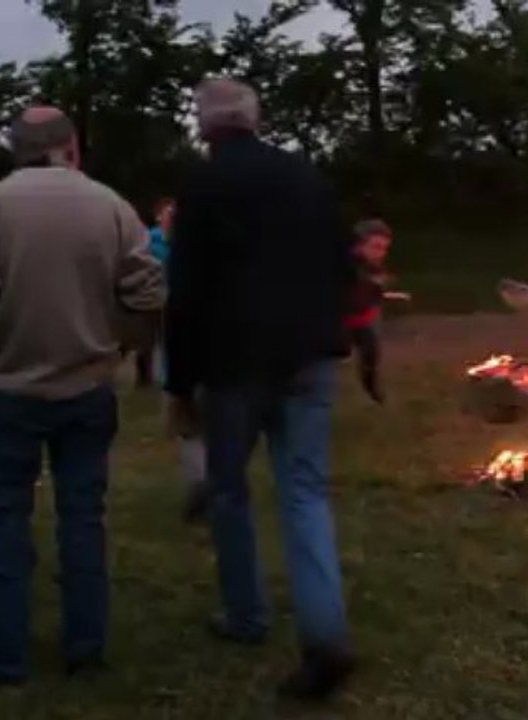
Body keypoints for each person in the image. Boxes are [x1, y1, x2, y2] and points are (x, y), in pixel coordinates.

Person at [165, 78, 356, 701]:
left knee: (229, 492)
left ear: (205, 125)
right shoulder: (308, 177)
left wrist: (179, 383)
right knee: (304, 493)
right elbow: (342, 265)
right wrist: (334, 335)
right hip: (307, 358)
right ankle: (326, 636)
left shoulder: (201, 187)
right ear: (256, 118)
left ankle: (246, 616)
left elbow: (186, 292)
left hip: (234, 365)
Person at [0, 107, 165, 686]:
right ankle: (86, 649)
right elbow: (147, 293)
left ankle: (3, 658)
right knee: (83, 518)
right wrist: (118, 347)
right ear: (72, 148)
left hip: (4, 390)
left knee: (2, 520)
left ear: (16, 149)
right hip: (87, 387)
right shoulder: (111, 206)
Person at [346, 219, 394, 404]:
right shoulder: (344, 266)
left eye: (384, 248)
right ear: (358, 245)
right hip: (341, 321)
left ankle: (372, 389)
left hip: (364, 320)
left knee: (370, 357)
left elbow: (375, 292)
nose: (381, 253)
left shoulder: (375, 266)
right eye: (375, 247)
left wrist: (379, 291)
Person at [134, 198, 175, 388]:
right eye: (167, 213)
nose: (171, 216)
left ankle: (168, 376)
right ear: (159, 217)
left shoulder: (180, 240)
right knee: (147, 340)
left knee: (170, 338)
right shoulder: (149, 239)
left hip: (173, 295)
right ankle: (144, 377)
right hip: (152, 294)